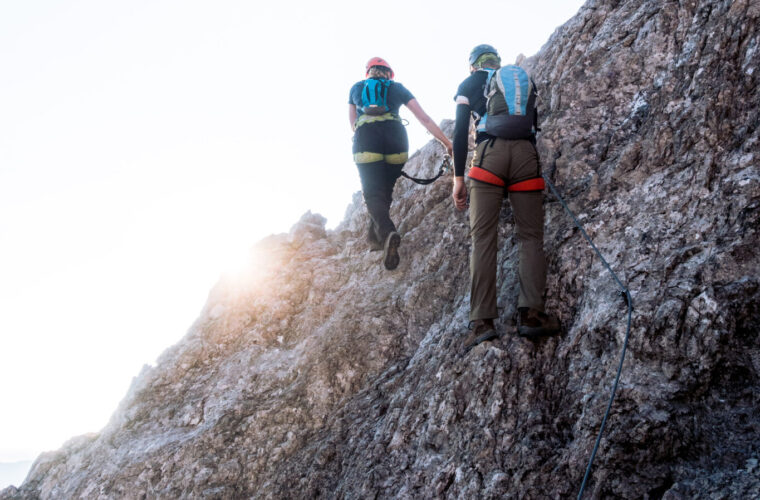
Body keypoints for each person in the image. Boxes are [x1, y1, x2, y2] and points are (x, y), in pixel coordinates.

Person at [451, 44, 560, 349]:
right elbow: (532, 127)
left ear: (474, 65)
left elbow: (461, 132)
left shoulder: (470, 83)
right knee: (530, 236)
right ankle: (532, 316)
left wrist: (459, 179)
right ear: (497, 63)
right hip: (526, 155)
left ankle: (483, 322)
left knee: (484, 238)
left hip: (489, 156)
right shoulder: (522, 83)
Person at [349, 57, 453, 270]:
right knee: (385, 191)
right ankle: (376, 240)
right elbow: (423, 118)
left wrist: (363, 134)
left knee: (372, 193)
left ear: (368, 72)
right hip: (396, 140)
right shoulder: (398, 88)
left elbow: (353, 122)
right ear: (390, 73)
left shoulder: (357, 88)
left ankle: (387, 234)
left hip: (366, 139)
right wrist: (446, 142)